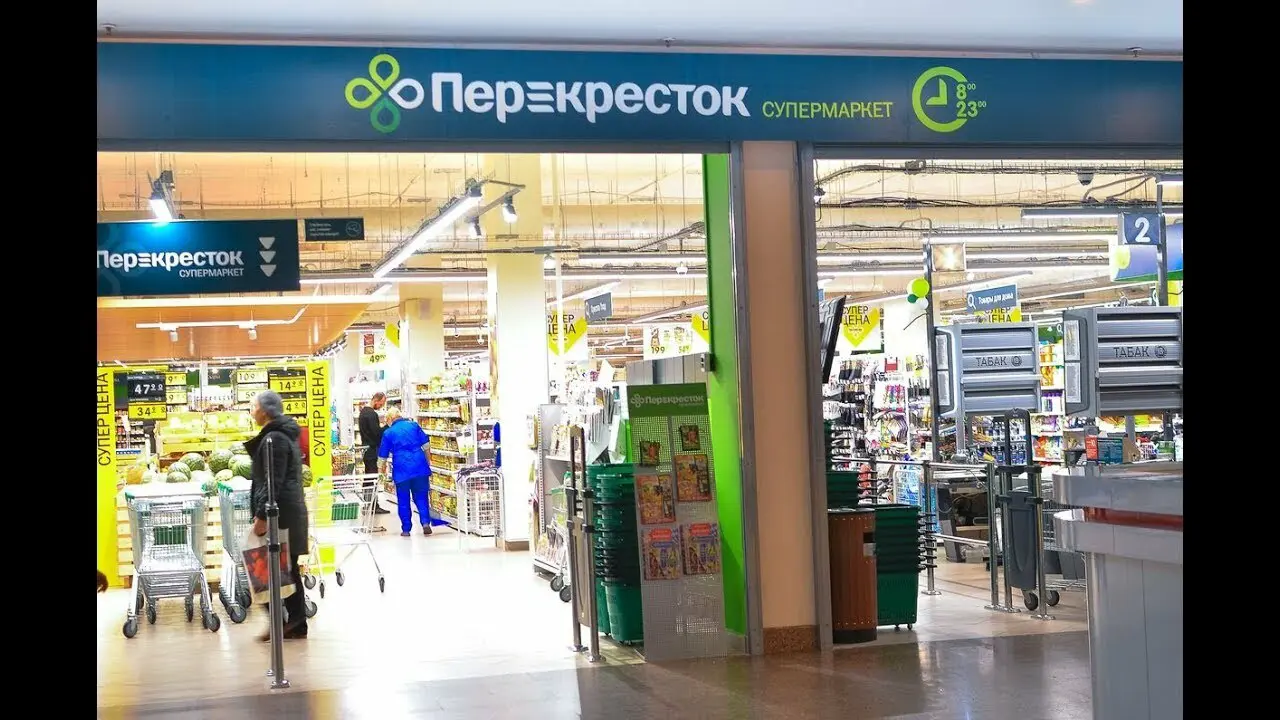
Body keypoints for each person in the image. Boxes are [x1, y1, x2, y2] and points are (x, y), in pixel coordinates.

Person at [246, 390, 310, 641]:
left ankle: (288, 622)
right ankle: (292, 622)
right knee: (284, 569)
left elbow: (273, 481)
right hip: (285, 512)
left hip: (281, 515)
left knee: (271, 568)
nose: (252, 411)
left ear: (265, 411)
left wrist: (263, 515)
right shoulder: (280, 435)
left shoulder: (275, 439)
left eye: (254, 406)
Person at [377, 405, 435, 536]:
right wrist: (427, 462)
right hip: (419, 465)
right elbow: (426, 445)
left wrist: (381, 472)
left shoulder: (388, 432)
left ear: (390, 419)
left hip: (401, 468)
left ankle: (406, 529)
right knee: (421, 496)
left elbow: (382, 456)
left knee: (403, 500)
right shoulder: (413, 425)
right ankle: (425, 523)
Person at [359, 392, 392, 515]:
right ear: (376, 400)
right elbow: (377, 434)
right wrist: (387, 426)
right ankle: (373, 505)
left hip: (366, 449)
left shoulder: (363, 412)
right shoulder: (372, 414)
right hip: (372, 451)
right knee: (372, 478)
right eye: (381, 403)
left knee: (368, 478)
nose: (381, 406)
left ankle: (368, 503)